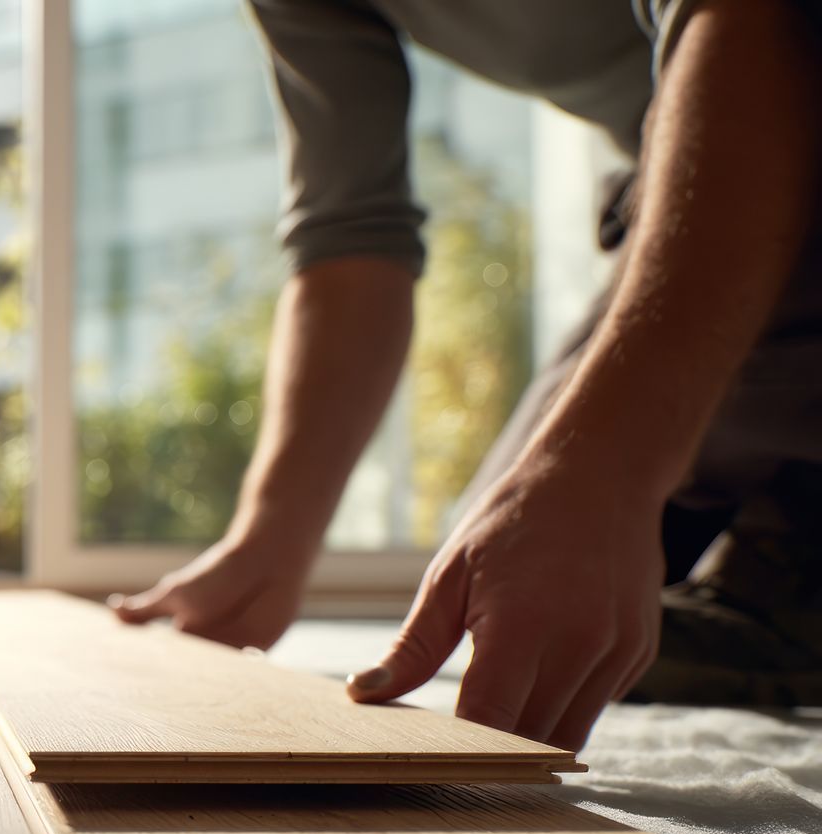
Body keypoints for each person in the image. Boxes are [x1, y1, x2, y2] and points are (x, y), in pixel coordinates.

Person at [112, 0, 822, 750]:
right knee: (513, 574)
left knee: (581, 497)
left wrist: (605, 470)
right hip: (682, 183)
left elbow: (754, 22)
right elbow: (350, 239)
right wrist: (267, 544)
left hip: (785, 109)